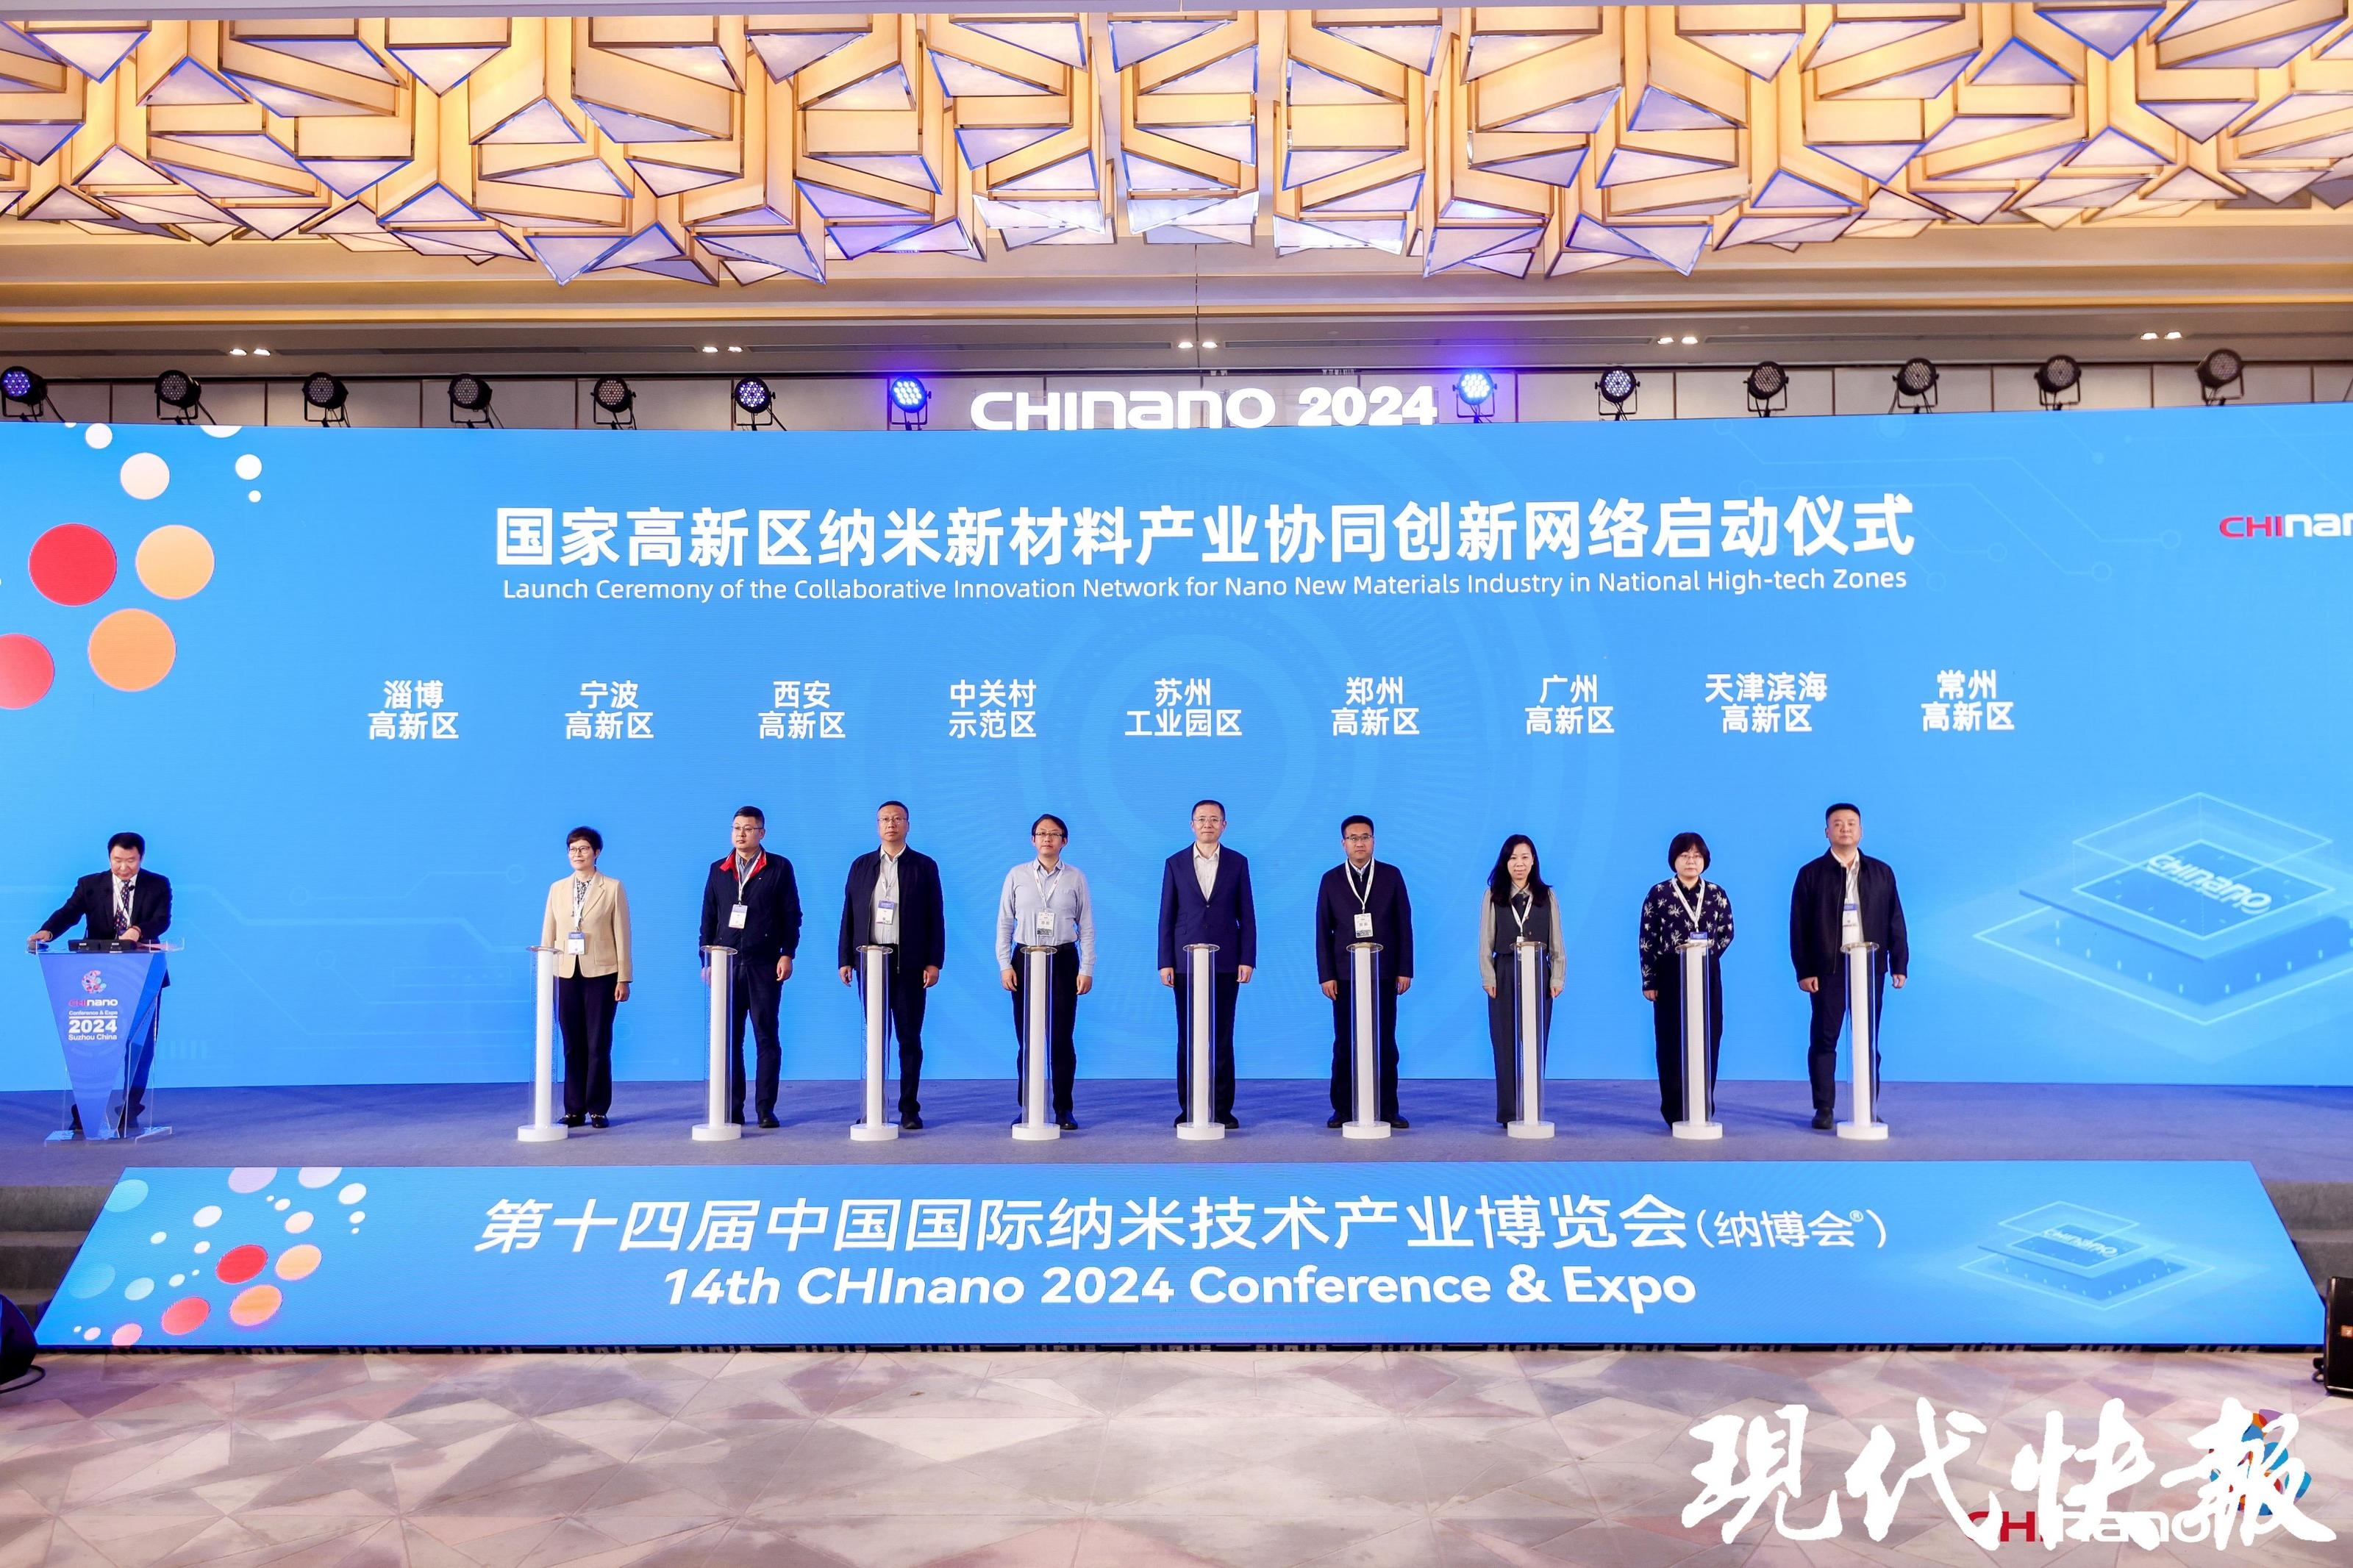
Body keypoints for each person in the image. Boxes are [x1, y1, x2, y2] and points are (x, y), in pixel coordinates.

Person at [29, 831, 172, 1133]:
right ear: (109, 857)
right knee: (96, 1041)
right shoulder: (90, 885)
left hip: (143, 974)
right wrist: (47, 932)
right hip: (97, 976)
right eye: (117, 860)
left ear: (141, 858)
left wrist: (137, 930)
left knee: (140, 1045)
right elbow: (68, 913)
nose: (123, 867)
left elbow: (162, 920)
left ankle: (131, 1108)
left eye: (130, 861)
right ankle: (86, 1109)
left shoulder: (157, 884)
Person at [1789, 802, 1908, 1130]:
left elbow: (1895, 920)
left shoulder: (1881, 872)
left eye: (1851, 823)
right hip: (1828, 968)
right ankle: (1824, 1108)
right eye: (1838, 824)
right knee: (1824, 1039)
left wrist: (1899, 962)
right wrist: (1804, 970)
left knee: (1868, 1040)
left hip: (1869, 966)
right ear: (1827, 832)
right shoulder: (1811, 873)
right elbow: (1799, 926)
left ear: (1861, 831)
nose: (1845, 828)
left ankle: (1867, 1107)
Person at [837, 800, 945, 1130]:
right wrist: (845, 959)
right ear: (877, 825)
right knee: (875, 1037)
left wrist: (934, 962)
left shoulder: (924, 866)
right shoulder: (861, 865)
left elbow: (936, 917)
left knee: (909, 1038)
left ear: (908, 825)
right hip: (870, 960)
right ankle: (874, 1107)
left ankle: (909, 1109)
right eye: (885, 819)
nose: (891, 824)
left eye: (898, 819)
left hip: (909, 962)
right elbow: (849, 914)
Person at [698, 806, 801, 1128]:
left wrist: (787, 953)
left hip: (764, 964)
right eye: (736, 828)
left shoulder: (779, 867)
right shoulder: (719, 869)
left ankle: (765, 1108)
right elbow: (708, 918)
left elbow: (792, 915)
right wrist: (706, 960)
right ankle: (733, 1107)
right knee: (729, 1039)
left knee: (766, 1036)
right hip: (726, 964)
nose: (741, 834)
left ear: (761, 833)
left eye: (748, 828)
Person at [1157, 798, 1257, 1129]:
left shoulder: (1238, 862)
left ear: (1224, 825)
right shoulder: (1175, 863)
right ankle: (1189, 1107)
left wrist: (1247, 958)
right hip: (1185, 963)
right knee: (1188, 1036)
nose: (1208, 824)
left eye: (1214, 819)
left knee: (1222, 1036)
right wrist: (1165, 962)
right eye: (1202, 819)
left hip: (1226, 961)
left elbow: (1247, 915)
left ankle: (1223, 1109)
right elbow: (1166, 916)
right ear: (1192, 825)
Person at [995, 813, 1094, 1130]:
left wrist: (1087, 967)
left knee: (1062, 1038)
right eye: (1041, 833)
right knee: (1027, 1039)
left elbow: (1086, 926)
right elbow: (1005, 922)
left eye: (1054, 834)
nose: (1047, 839)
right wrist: (1005, 964)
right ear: (1033, 840)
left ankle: (1064, 1109)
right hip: (1025, 959)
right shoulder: (1017, 875)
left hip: (1063, 959)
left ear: (1064, 841)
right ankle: (1028, 1106)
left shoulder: (1075, 877)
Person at [1314, 814, 1413, 1128]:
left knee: (1386, 1042)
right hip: (1344, 975)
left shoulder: (1391, 875)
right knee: (1344, 1042)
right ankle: (1343, 1108)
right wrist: (1326, 974)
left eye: (1365, 837)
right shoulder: (1331, 879)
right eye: (1353, 838)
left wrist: (1405, 969)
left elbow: (1404, 925)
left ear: (1374, 841)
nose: (1360, 843)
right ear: (1343, 843)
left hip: (1384, 972)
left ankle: (1388, 1108)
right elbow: (1323, 930)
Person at [1639, 831, 1735, 1129]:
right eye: (1684, 855)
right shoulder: (1659, 893)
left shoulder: (1717, 893)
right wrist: (1650, 980)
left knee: (1709, 1035)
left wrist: (1706, 955)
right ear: (1674, 860)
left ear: (1705, 860)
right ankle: (1674, 1109)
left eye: (1696, 855)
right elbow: (1647, 938)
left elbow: (1727, 931)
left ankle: (1703, 1104)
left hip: (1706, 971)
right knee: (1671, 1039)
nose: (1691, 861)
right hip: (1670, 972)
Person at [540, 827, 632, 1128]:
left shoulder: (613, 887)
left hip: (602, 974)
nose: (577, 854)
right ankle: (573, 1109)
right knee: (571, 1043)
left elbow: (622, 935)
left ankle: (597, 1108)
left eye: (583, 848)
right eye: (572, 849)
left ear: (597, 852)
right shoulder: (557, 889)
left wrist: (624, 977)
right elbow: (548, 934)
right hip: (566, 973)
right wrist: (546, 975)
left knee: (598, 1043)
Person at [1479, 834, 1565, 1125]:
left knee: (1535, 1041)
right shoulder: (1494, 895)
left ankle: (1532, 1106)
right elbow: (1485, 940)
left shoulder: (1546, 896)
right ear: (1505, 862)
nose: (1519, 863)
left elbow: (1557, 941)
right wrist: (1488, 975)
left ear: (1533, 861)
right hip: (1504, 971)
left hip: (1539, 971)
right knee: (1504, 1042)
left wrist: (1558, 975)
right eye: (1513, 858)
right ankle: (1508, 1111)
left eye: (1525, 857)